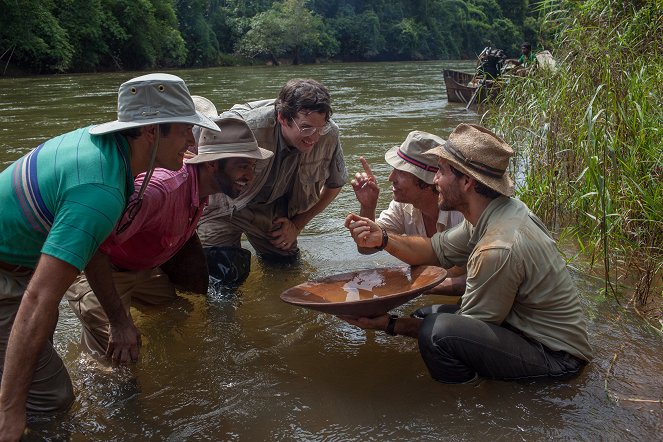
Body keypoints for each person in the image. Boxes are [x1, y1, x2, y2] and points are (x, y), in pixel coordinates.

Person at [0, 73, 219, 439]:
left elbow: (93, 247)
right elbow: (39, 298)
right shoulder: (100, 188)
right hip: (10, 276)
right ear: (151, 131)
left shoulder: (109, 155)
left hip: (21, 263)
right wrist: (10, 412)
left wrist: (119, 319)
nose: (193, 142)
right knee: (52, 401)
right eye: (185, 130)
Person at [344, 123, 592, 384]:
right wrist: (382, 238)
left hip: (556, 358)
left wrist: (390, 324)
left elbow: (465, 328)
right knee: (424, 316)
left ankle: (468, 406)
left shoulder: (497, 248)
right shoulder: (492, 213)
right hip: (521, 329)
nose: (435, 180)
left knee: (436, 333)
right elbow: (433, 250)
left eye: (441, 171)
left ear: (466, 182)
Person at [65, 117, 272, 360]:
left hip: (139, 268)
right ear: (213, 165)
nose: (250, 175)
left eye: (252, 167)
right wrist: (119, 322)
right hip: (97, 270)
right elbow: (90, 242)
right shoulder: (159, 190)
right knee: (120, 359)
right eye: (242, 166)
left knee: (177, 315)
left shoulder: (202, 187)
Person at [197, 78, 347, 264]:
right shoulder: (245, 126)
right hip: (223, 207)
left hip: (273, 212)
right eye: (306, 128)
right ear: (282, 118)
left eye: (321, 127)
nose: (315, 137)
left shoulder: (329, 133)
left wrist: (296, 226)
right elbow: (193, 151)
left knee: (286, 270)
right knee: (223, 275)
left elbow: (335, 184)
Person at [350, 130, 465, 296]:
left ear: (427, 182)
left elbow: (476, 276)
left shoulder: (461, 211)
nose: (390, 178)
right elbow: (367, 247)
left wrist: (415, 286)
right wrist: (368, 207)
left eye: (401, 172)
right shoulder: (401, 206)